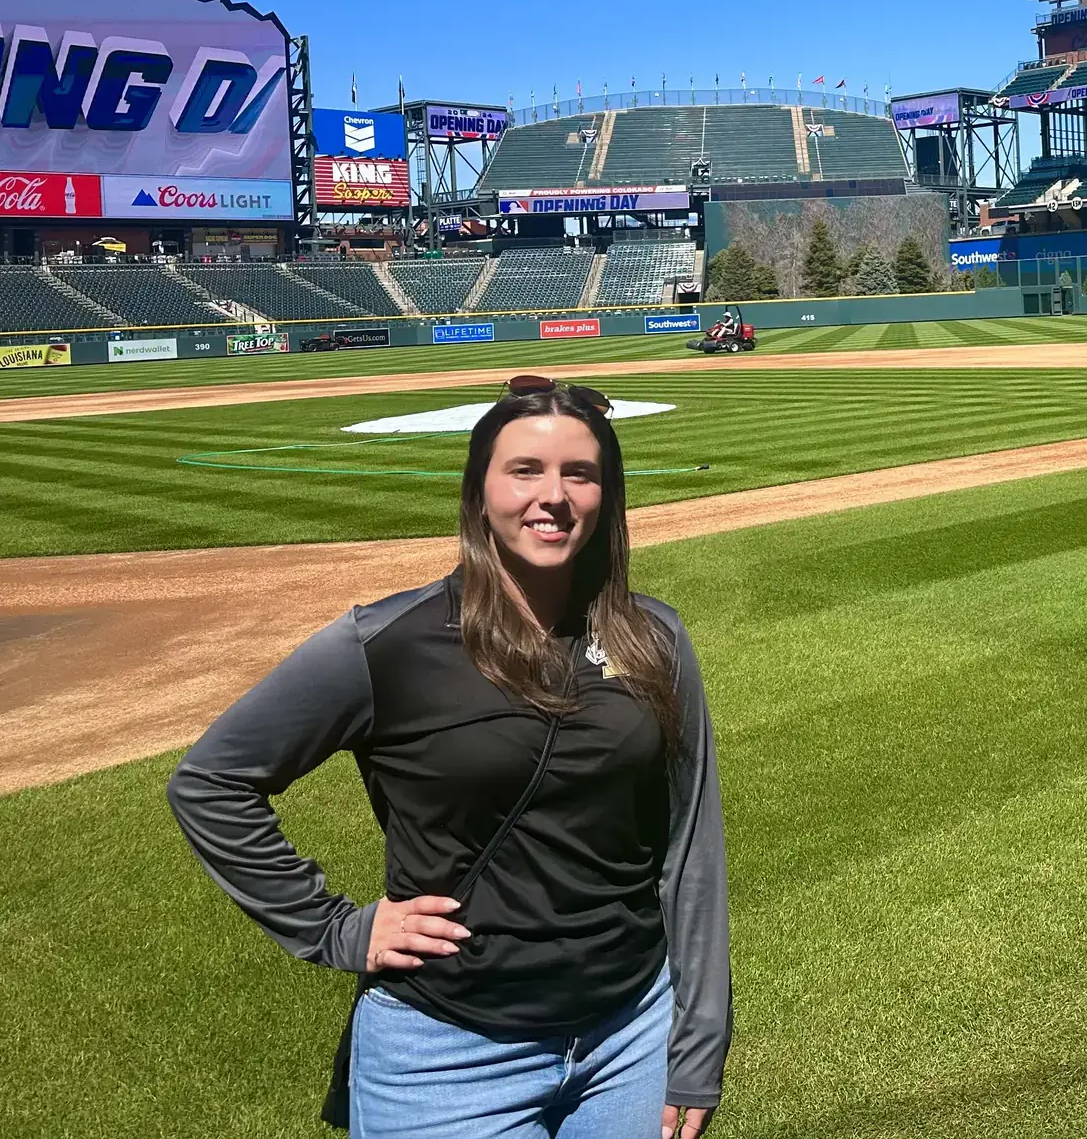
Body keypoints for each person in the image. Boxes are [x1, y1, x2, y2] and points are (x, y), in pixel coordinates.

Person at [169, 377, 729, 1139]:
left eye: (580, 473)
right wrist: (333, 927)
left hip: (628, 1036)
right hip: (445, 1055)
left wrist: (695, 1046)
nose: (554, 495)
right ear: (479, 491)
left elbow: (687, 851)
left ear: (608, 493)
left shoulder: (653, 639)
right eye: (524, 470)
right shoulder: (387, 643)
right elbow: (212, 782)